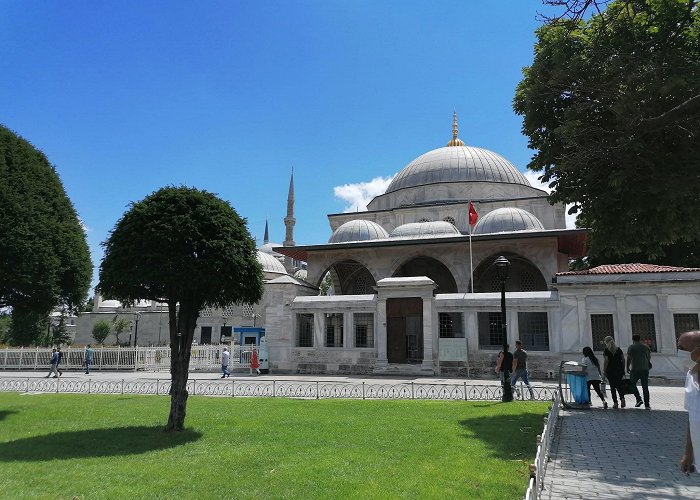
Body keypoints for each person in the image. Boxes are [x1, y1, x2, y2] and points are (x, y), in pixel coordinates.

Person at [678, 330, 700, 475]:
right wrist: (688, 452)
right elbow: (692, 418)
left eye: (682, 349)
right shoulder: (690, 378)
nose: (679, 354)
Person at [627, 334, 651, 409]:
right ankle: (647, 404)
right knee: (645, 387)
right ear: (640, 339)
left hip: (635, 369)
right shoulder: (646, 347)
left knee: (632, 384)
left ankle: (638, 399)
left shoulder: (632, 347)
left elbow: (629, 358)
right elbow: (649, 357)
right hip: (645, 369)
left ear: (633, 339)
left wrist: (627, 367)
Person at [603, 336, 626, 408]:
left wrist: (604, 370)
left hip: (610, 370)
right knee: (619, 386)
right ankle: (622, 399)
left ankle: (615, 403)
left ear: (606, 342)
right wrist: (623, 368)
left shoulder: (606, 350)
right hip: (619, 369)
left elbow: (606, 360)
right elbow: (623, 359)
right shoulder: (618, 349)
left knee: (612, 387)